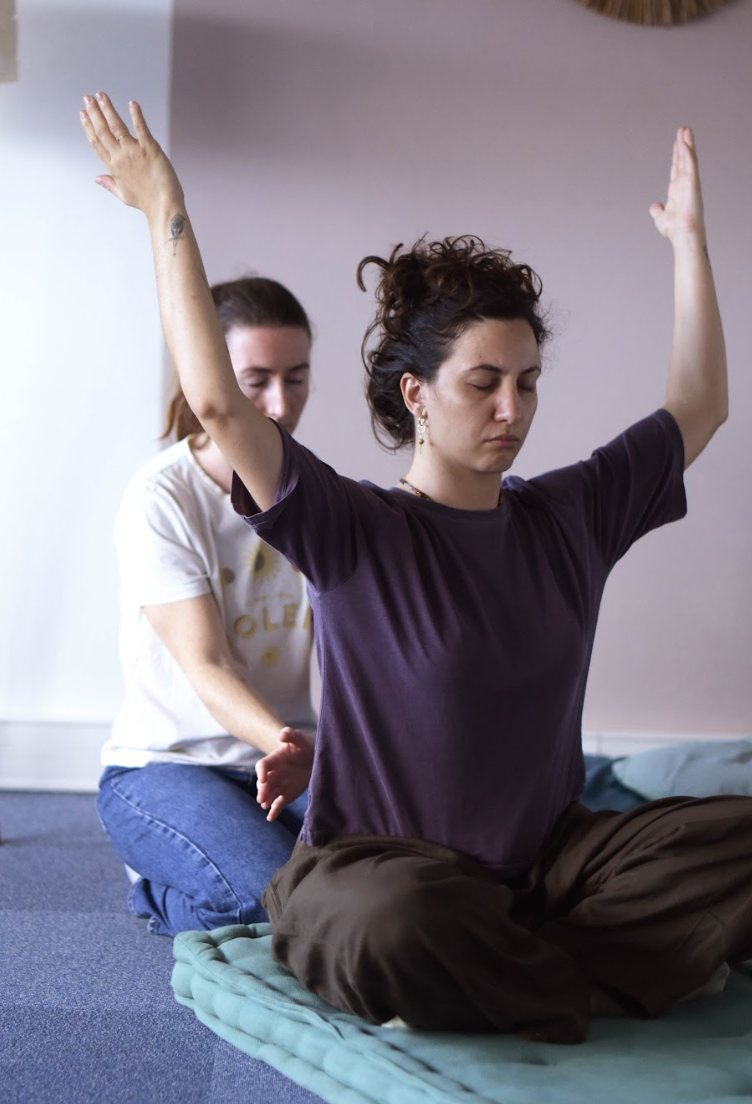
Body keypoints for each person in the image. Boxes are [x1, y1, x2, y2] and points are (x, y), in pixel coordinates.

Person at [81, 92, 752, 1043]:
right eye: (484, 385)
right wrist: (167, 212)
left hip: (544, 865)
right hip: (382, 871)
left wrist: (690, 243)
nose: (512, 409)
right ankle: (563, 976)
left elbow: (701, 404)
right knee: (384, 925)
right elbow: (222, 409)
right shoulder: (354, 527)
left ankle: (514, 968)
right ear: (419, 396)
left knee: (734, 839)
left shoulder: (575, 512)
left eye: (526, 384)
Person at [97, 274, 317, 936]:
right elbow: (208, 663)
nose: (279, 404)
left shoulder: (317, 491)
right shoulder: (161, 497)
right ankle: (160, 884)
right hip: (169, 766)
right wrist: (287, 745)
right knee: (285, 909)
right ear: (210, 379)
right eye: (256, 380)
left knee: (406, 879)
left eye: (297, 376)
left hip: (291, 764)